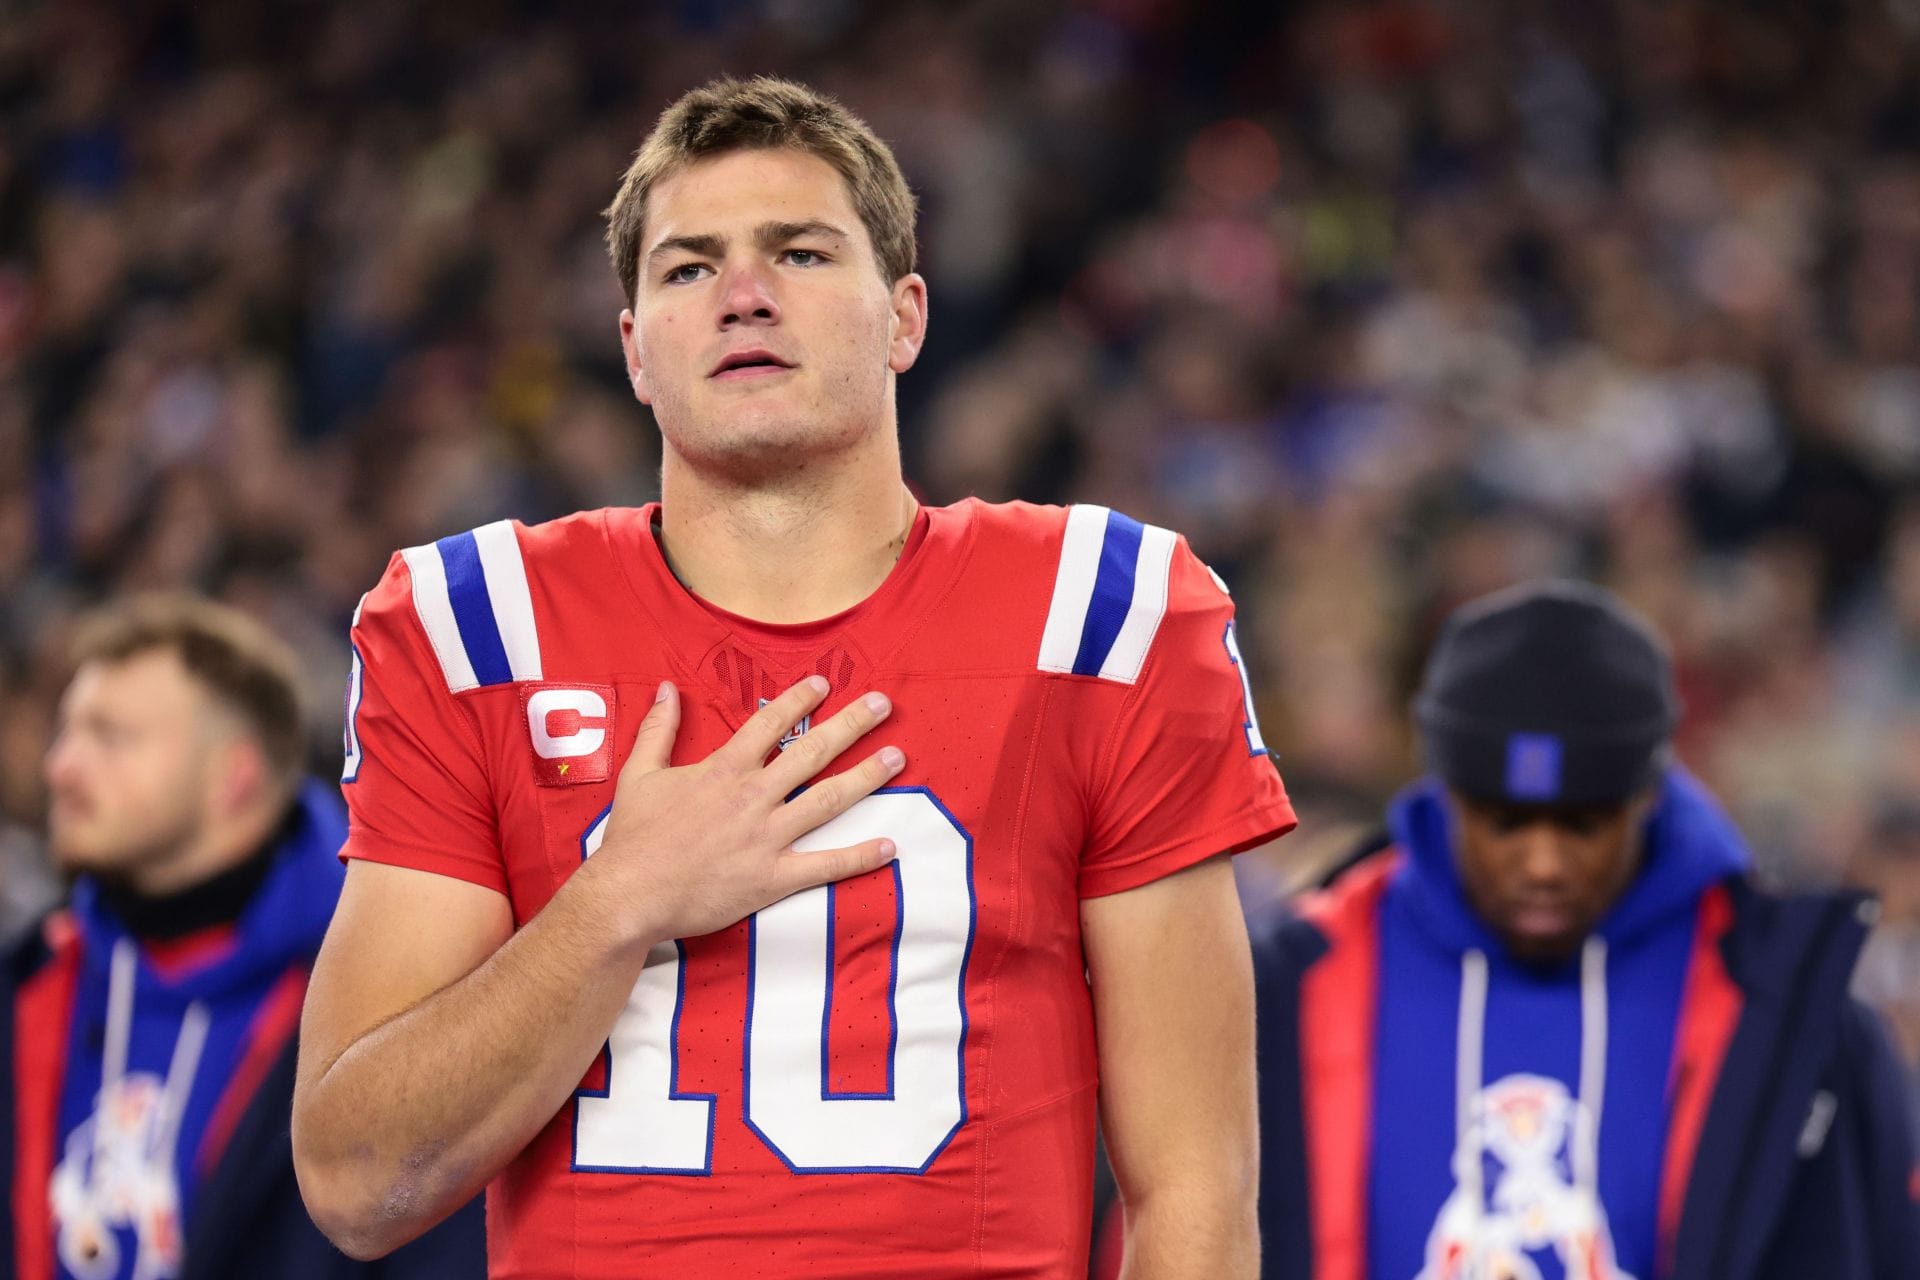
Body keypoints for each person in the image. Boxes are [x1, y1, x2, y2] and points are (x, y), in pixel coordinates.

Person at [291, 75, 1295, 1278]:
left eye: (802, 253)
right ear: (634, 350)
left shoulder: (1104, 613)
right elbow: (356, 1183)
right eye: (687, 268)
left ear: (906, 316)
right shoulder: (477, 626)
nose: (744, 296)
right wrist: (618, 902)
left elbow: (1193, 1184)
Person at [1253, 579, 1920, 1280]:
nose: (1543, 864)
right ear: (1444, 794)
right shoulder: (1289, 985)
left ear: (1647, 799)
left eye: (1584, 825)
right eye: (1504, 823)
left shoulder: (1791, 1014)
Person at [1, 595, 484, 1280]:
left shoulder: (390, 1004)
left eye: (110, 737)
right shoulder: (28, 983)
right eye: (65, 733)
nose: (61, 768)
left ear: (236, 776)